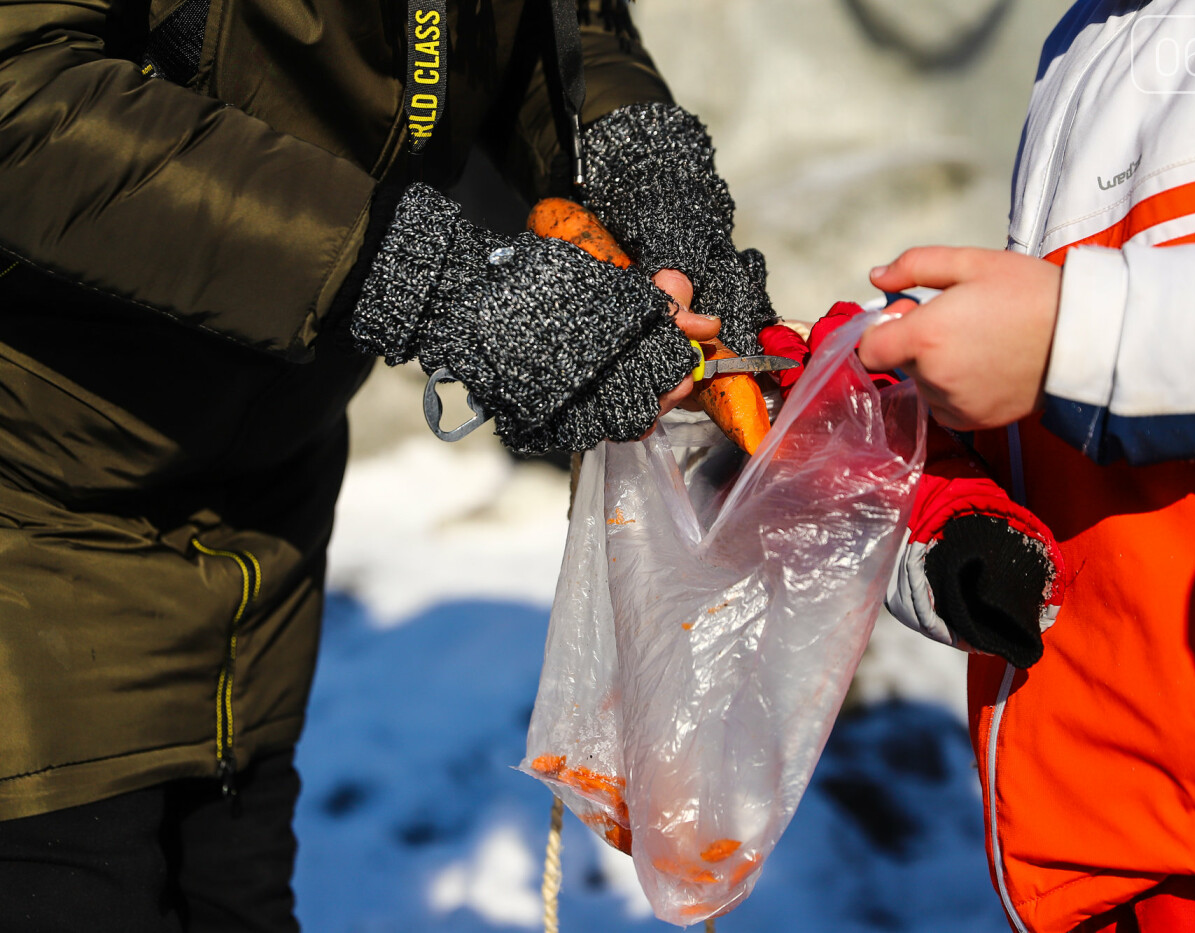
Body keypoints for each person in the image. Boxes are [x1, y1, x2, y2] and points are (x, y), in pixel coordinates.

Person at [0, 0, 773, 929]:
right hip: (33, 492)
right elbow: (20, 88)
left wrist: (646, 185)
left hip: (264, 502)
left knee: (231, 892)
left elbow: (558, 28)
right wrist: (421, 274)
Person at [856, 1, 1195, 931]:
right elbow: (1106, 384)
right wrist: (873, 392)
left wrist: (1070, 331)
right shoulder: (1083, 40)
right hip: (1097, 855)